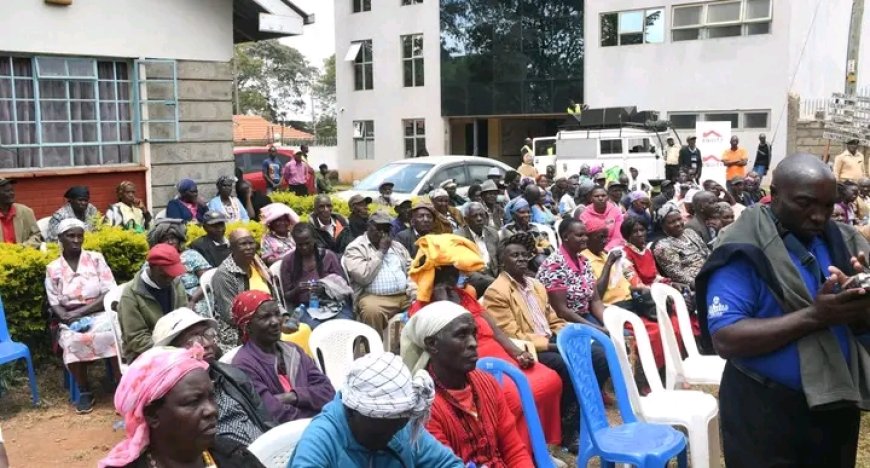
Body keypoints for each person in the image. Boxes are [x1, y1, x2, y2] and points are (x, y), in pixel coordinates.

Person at [697, 153, 870, 466]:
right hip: (766, 411)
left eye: (827, 205)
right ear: (774, 195)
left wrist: (860, 306)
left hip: (835, 402)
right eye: (806, 203)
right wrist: (815, 317)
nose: (819, 216)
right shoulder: (744, 249)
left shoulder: (842, 242)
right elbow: (726, 338)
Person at [408, 250, 565, 448]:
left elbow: (496, 330)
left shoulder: (464, 296)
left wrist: (517, 353)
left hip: (500, 352)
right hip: (472, 363)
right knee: (514, 395)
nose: (456, 276)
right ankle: (510, 446)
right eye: (449, 272)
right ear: (436, 276)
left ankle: (535, 444)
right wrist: (442, 301)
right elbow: (440, 344)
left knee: (550, 380)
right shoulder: (423, 306)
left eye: (455, 271)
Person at [487, 232, 602, 450]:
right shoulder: (497, 291)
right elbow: (512, 335)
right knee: (566, 365)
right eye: (514, 256)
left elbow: (553, 318)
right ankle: (568, 427)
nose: (521, 259)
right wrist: (552, 345)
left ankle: (584, 413)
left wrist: (568, 336)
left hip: (551, 337)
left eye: (524, 255)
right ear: (503, 260)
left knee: (599, 356)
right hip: (528, 348)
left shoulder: (535, 284)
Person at [400, 305, 534, 467]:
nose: (473, 343)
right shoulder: (424, 405)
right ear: (432, 344)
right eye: (461, 335)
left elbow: (514, 450)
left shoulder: (487, 383)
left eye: (473, 334)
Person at [98, 346, 266, 468]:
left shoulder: (234, 457)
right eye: (193, 402)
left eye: (211, 397)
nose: (212, 410)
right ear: (152, 415)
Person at [289, 352, 463, 468]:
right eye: (379, 434)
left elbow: (447, 464)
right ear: (351, 411)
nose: (390, 439)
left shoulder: (399, 427)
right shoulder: (321, 439)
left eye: (396, 430)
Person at [152, 308, 276, 445]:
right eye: (193, 339)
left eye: (208, 334)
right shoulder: (170, 399)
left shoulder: (232, 375)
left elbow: (265, 419)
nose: (207, 344)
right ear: (172, 351)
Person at [45, 219, 120, 414]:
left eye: (80, 235)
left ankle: (121, 385)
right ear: (60, 238)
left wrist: (80, 312)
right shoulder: (53, 268)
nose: (76, 240)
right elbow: (54, 303)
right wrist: (67, 318)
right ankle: (85, 390)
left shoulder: (96, 259)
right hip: (69, 317)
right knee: (72, 340)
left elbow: (108, 292)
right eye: (71, 236)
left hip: (99, 311)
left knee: (112, 333)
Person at [230, 291, 334, 423]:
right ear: (248, 326)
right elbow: (271, 413)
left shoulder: (294, 350)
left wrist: (292, 397)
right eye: (265, 317)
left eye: (277, 314)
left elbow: (328, 392)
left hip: (320, 423)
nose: (275, 322)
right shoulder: (243, 364)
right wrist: (314, 414)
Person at [118, 243, 189, 362]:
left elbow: (185, 316)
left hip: (177, 345)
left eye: (172, 274)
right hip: (145, 353)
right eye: (165, 275)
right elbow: (136, 339)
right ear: (152, 267)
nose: (170, 278)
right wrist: (170, 350)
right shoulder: (131, 294)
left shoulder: (175, 284)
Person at [344, 212, 413, 332]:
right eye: (378, 228)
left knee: (424, 305)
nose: (382, 233)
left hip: (404, 295)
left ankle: (405, 347)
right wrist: (381, 252)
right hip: (374, 298)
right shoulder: (356, 247)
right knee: (371, 311)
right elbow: (363, 277)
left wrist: (414, 291)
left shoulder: (397, 246)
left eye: (386, 229)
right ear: (368, 226)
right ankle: (375, 347)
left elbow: (411, 270)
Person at [211, 228, 278, 348]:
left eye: (251, 243)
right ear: (232, 248)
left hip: (269, 320)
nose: (248, 247)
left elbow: (274, 297)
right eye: (243, 244)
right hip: (241, 331)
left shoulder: (257, 263)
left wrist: (283, 315)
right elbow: (230, 315)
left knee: (302, 330)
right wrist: (263, 322)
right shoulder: (224, 274)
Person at [280, 223, 354, 328]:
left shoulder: (328, 256)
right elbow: (287, 296)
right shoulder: (288, 261)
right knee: (317, 329)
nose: (304, 247)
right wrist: (298, 289)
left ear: (314, 239)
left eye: (307, 243)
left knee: (344, 325)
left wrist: (325, 289)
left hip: (333, 304)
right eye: (300, 245)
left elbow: (343, 286)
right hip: (304, 307)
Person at [146, 219, 211, 316]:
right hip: (167, 302)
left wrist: (193, 300)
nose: (170, 242)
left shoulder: (191, 255)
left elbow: (207, 279)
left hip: (197, 300)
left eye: (173, 238)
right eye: (165, 239)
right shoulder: (154, 261)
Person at [653, 204, 710, 289]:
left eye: (679, 219)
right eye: (672, 222)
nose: (678, 224)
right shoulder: (663, 247)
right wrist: (699, 282)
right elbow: (677, 275)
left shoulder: (690, 232)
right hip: (695, 283)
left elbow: (707, 252)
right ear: (663, 226)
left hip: (709, 271)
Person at [455, 202, 500, 295]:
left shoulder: (493, 233)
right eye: (474, 216)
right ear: (466, 220)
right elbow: (464, 268)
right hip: (473, 276)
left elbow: (500, 259)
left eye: (481, 215)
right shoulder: (458, 237)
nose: (479, 219)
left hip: (494, 273)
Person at [499, 198, 553, 272]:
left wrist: (538, 250)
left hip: (536, 263)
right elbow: (523, 252)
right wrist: (537, 250)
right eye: (522, 212)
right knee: (540, 259)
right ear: (513, 214)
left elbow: (551, 248)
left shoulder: (533, 228)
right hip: (519, 266)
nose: (527, 215)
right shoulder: (508, 230)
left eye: (528, 212)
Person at [0, 178, 40, 246]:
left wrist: (23, 246)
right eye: (7, 191)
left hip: (22, 253)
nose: (12, 193)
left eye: (12, 190)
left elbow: (36, 235)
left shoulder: (26, 212)